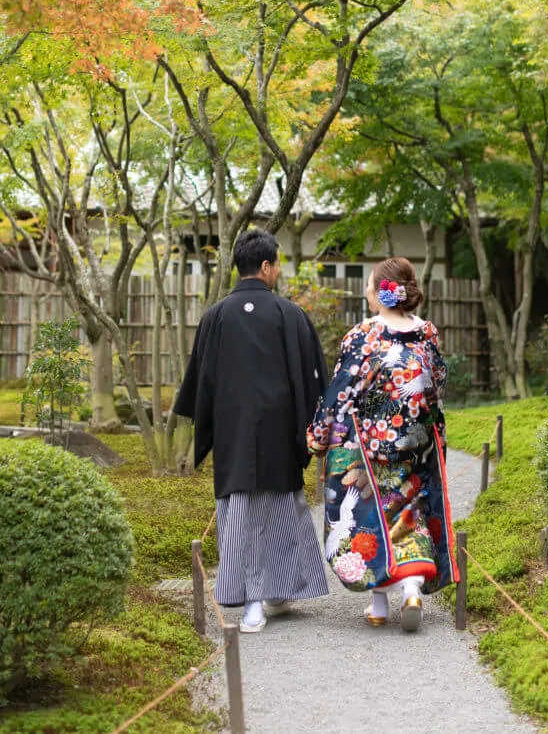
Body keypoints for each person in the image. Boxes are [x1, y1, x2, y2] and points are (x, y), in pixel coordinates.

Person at [174, 228, 330, 633]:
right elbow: (312, 379)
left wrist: (209, 428)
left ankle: (258, 600)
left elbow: (200, 382)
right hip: (280, 430)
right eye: (276, 263)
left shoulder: (216, 315)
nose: (278, 270)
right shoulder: (289, 314)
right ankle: (265, 597)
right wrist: (311, 428)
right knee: (280, 509)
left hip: (233, 433)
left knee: (240, 511)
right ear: (265, 267)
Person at [307, 256, 459, 631]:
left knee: (366, 516)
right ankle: (411, 589)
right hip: (415, 442)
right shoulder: (427, 332)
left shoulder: (365, 335)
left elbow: (343, 391)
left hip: (370, 443)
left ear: (382, 292)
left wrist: (319, 435)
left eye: (369, 285)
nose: (365, 291)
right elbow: (437, 383)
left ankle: (379, 605)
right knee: (410, 511)